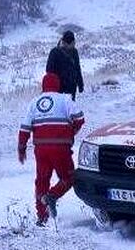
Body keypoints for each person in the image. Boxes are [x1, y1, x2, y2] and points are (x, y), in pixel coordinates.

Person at [18, 73, 85, 225]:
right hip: (61, 148)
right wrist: (71, 131)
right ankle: (53, 195)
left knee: (41, 181)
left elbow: (24, 128)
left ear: (43, 86)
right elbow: (80, 119)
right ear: (58, 85)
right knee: (69, 178)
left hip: (41, 149)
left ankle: (41, 216)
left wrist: (21, 148)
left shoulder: (34, 103)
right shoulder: (65, 99)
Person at [45, 30, 84, 100]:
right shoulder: (54, 52)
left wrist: (80, 84)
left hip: (71, 87)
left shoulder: (74, 52)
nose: (74, 44)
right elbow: (49, 70)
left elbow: (77, 68)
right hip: (58, 88)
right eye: (73, 43)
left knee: (69, 107)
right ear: (66, 43)